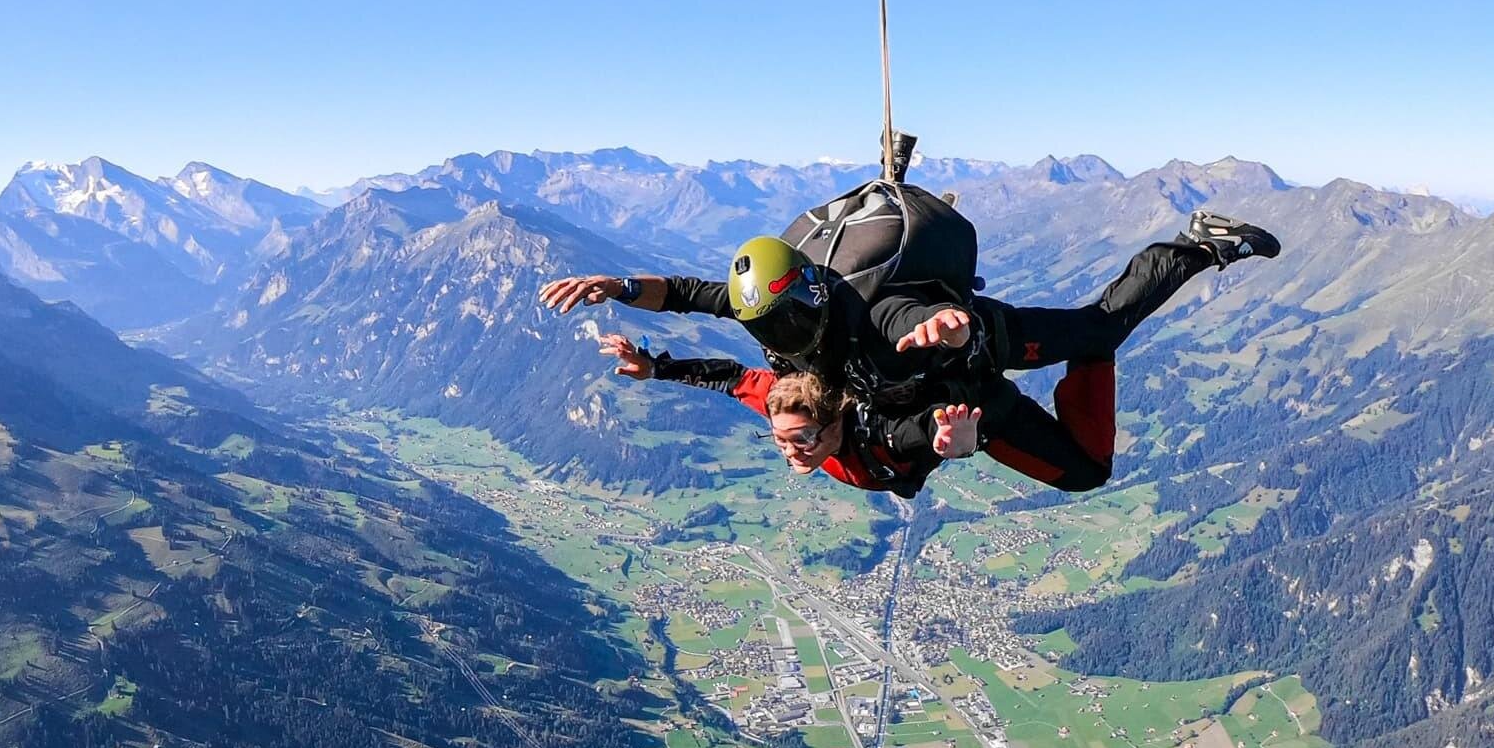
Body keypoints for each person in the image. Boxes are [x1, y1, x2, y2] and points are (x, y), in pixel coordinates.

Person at [549, 208, 1282, 494]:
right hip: (960, 402)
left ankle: (1195, 247)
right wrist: (622, 296)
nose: (792, 450)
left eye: (798, 440)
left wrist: (947, 328)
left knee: (1097, 331)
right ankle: (1082, 366)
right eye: (789, 441)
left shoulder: (870, 321)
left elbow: (910, 324)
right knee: (1087, 471)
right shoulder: (783, 356)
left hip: (970, 351)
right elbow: (693, 303)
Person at [595, 335, 972, 497]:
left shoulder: (878, 430)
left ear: (834, 421)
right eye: (779, 440)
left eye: (803, 439)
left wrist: (949, 441)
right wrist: (654, 368)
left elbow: (921, 428)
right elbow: (730, 377)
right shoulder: (783, 406)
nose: (790, 451)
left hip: (957, 393)